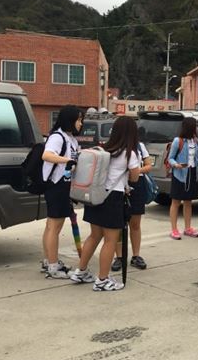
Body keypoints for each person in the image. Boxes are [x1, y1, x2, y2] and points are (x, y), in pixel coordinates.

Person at [70, 116, 141, 291]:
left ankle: (81, 271)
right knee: (110, 240)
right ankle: (102, 280)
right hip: (113, 198)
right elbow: (135, 177)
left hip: (96, 196)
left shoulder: (105, 149)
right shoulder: (129, 153)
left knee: (94, 236)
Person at [41, 105, 83, 279]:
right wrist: (68, 160)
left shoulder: (70, 138)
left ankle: (49, 260)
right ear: (69, 120)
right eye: (79, 119)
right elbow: (47, 155)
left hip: (64, 186)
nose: (81, 123)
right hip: (56, 185)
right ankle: (52, 267)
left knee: (51, 226)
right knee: (54, 227)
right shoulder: (58, 137)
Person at [111, 130, 153, 271]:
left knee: (135, 223)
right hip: (119, 186)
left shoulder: (139, 146)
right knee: (119, 224)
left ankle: (136, 256)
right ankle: (119, 257)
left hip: (137, 185)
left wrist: (136, 171)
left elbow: (148, 165)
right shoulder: (115, 147)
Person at [167, 117, 198, 239]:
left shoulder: (195, 141)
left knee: (188, 202)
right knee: (175, 202)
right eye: (196, 125)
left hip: (192, 173)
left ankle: (188, 228)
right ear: (190, 127)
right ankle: (174, 229)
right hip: (180, 174)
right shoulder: (177, 141)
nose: (197, 128)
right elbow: (170, 158)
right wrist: (176, 165)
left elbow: (194, 159)